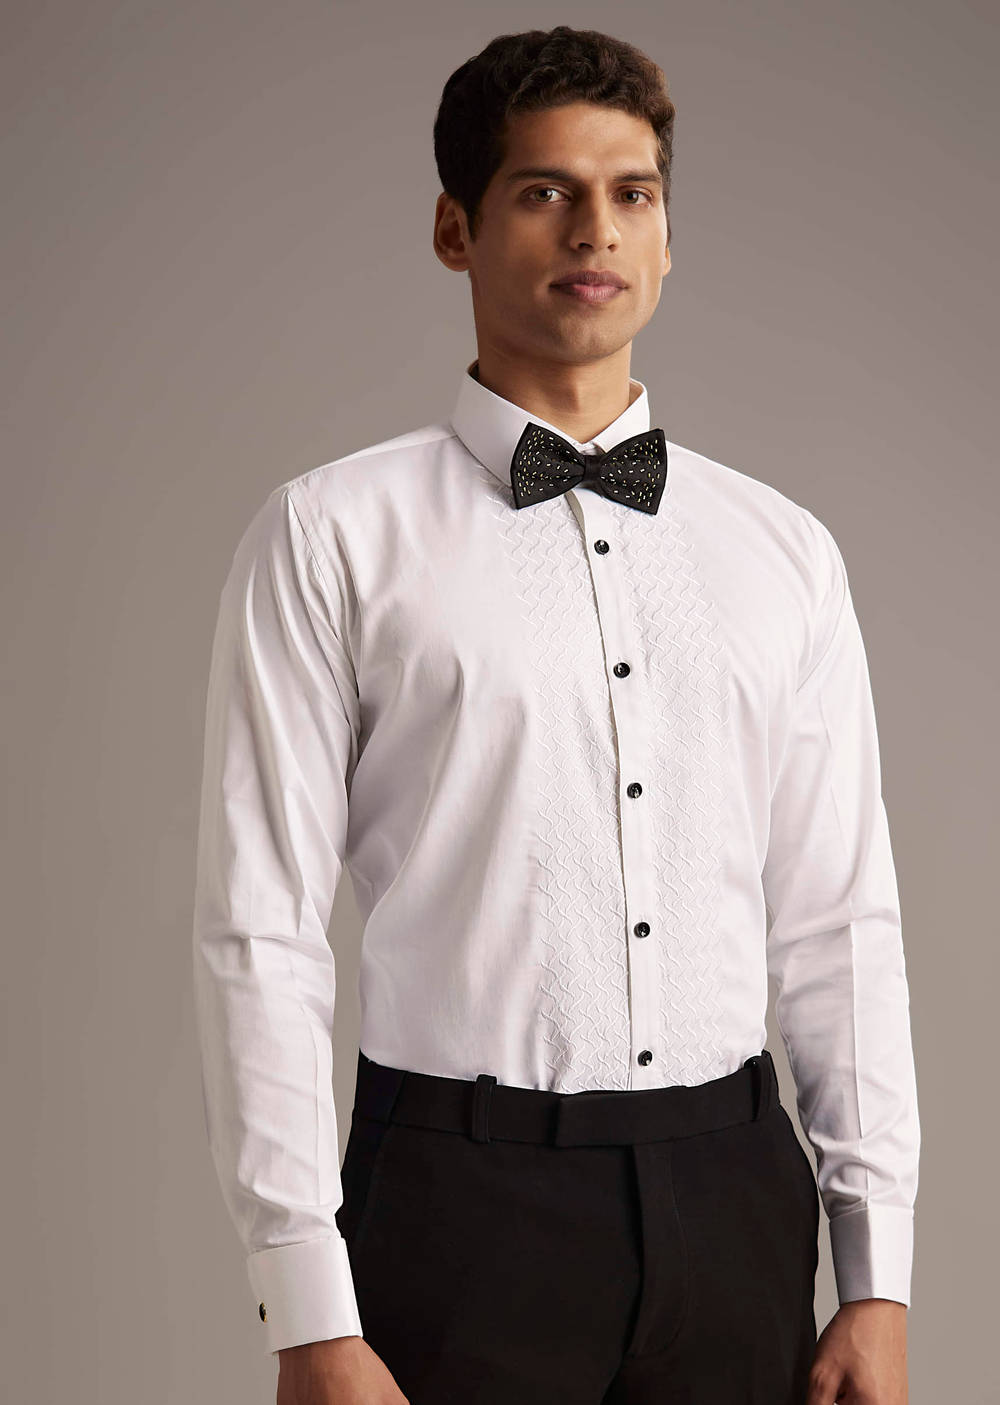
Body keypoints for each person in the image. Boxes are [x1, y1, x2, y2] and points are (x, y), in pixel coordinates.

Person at [191, 24, 919, 1405]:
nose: (596, 229)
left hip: (736, 1200)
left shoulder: (784, 551)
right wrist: (307, 1309)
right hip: (457, 1211)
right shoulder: (332, 535)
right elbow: (262, 933)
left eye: (632, 192)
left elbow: (839, 921)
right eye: (544, 191)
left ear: (667, 233)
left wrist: (875, 1272)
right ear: (454, 230)